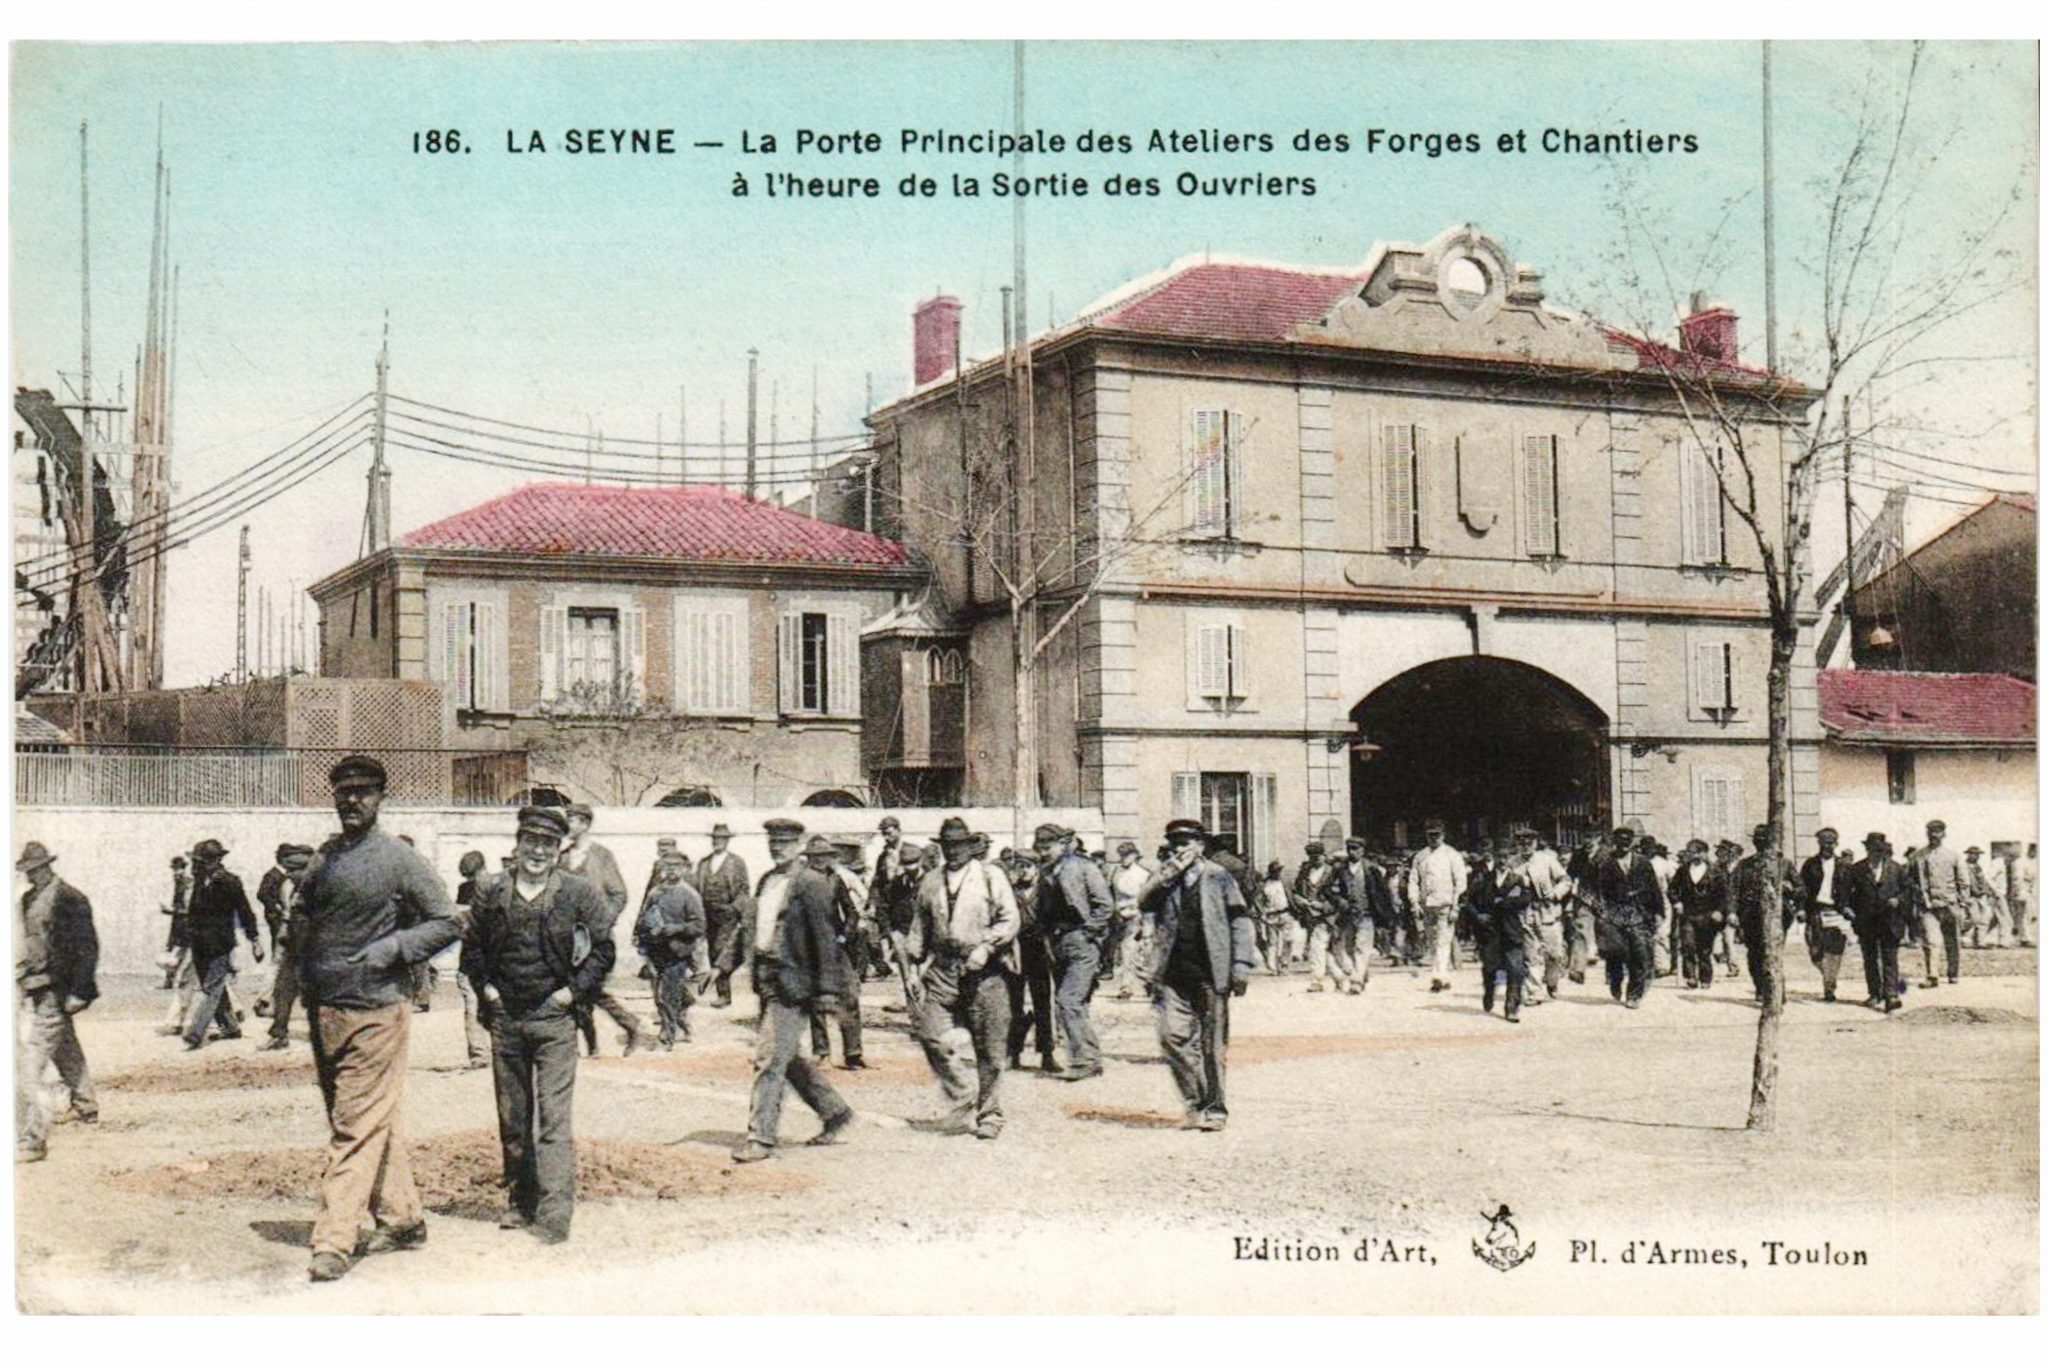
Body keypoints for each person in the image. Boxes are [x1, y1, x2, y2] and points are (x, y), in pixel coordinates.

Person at [294, 755, 461, 1283]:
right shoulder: (324, 858)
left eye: (364, 792)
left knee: (353, 1126)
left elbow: (447, 921)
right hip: (327, 1009)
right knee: (367, 1121)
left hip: (377, 1010)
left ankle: (335, 1240)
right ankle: (404, 1219)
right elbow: (301, 916)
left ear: (381, 798)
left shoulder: (398, 860)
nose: (352, 801)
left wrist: (394, 947)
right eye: (343, 791)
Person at [462, 805, 615, 1244]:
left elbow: (603, 948)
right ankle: (521, 1199)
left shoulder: (577, 892)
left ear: (558, 850)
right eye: (531, 841)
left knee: (552, 1118)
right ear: (518, 843)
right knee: (513, 1117)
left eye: (548, 844)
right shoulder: (491, 892)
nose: (538, 851)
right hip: (505, 1019)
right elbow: (471, 948)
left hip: (554, 1020)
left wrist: (572, 993)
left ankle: (554, 1212)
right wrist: (487, 988)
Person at [733, 819, 856, 1163]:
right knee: (786, 1057)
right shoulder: (767, 880)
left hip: (794, 984)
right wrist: (724, 967)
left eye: (785, 842)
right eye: (773, 841)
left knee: (769, 1056)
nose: (778, 847)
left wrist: (828, 991)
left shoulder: (812, 883)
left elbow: (825, 939)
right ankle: (834, 1111)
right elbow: (755, 929)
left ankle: (761, 1137)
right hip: (767, 978)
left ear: (799, 844)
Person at [903, 816, 1020, 1139]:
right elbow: (920, 927)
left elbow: (1010, 919)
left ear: (970, 846)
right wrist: (914, 968)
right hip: (943, 969)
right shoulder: (930, 881)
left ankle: (990, 1113)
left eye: (959, 846)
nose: (953, 852)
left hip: (985, 969)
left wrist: (987, 946)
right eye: (948, 847)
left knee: (990, 1045)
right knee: (930, 1034)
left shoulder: (989, 876)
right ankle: (963, 1093)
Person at [1138, 818, 1255, 1131]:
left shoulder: (1218, 877)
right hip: (1173, 972)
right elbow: (1142, 901)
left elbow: (1240, 920)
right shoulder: (1165, 878)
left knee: (1211, 1044)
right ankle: (1194, 1101)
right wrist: (1166, 874)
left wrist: (1241, 963)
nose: (1181, 848)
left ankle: (1215, 1108)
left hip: (1210, 971)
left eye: (1187, 842)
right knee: (1171, 1037)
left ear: (1201, 846)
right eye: (1175, 843)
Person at [15, 843, 99, 1162]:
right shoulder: (27, 900)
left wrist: (79, 991)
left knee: (29, 1063)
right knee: (65, 1048)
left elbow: (87, 947)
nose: (31, 876)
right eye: (27, 872)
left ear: (48, 867)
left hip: (59, 988)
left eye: (36, 870)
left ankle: (31, 1138)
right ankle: (86, 1106)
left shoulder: (70, 898)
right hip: (37, 985)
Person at [557, 805, 649, 1056]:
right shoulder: (562, 858)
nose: (568, 827)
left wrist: (601, 923)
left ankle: (623, 1029)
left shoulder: (601, 856)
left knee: (583, 989)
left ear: (585, 824)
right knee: (585, 991)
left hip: (597, 941)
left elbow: (619, 893)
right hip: (569, 940)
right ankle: (600, 1041)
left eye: (573, 821)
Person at [1033, 824, 1115, 1082]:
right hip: (1056, 944)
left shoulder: (1084, 867)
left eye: (1048, 847)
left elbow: (1105, 905)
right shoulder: (1045, 872)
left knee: (1068, 1000)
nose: (1044, 852)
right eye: (1040, 848)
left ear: (1063, 844)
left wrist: (1089, 933)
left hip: (1081, 940)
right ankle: (1089, 1058)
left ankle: (1086, 1061)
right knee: (1072, 1003)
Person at [181, 839, 263, 1050]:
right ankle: (230, 1027)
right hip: (198, 942)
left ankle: (195, 1033)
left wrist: (254, 940)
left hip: (219, 943)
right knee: (214, 987)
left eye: (199, 860)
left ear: (213, 860)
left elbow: (245, 911)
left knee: (212, 988)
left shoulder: (230, 881)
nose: (195, 864)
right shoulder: (198, 880)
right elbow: (192, 913)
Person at [805, 837, 869, 1070]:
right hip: (809, 947)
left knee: (849, 995)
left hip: (835, 946)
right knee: (816, 1001)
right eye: (815, 856)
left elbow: (851, 912)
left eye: (824, 855)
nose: (820, 860)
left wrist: (845, 935)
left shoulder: (836, 879)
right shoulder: (801, 881)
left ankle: (853, 1052)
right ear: (809, 858)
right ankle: (821, 1052)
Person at [634, 856, 705, 1049]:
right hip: (656, 952)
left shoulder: (689, 894)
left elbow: (699, 926)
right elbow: (643, 919)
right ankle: (684, 1015)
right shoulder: (655, 893)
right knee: (661, 996)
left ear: (684, 869)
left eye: (676, 866)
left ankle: (667, 1037)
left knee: (667, 995)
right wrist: (642, 941)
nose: (672, 870)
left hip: (678, 953)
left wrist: (677, 929)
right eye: (668, 866)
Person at [257, 845, 317, 1052]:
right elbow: (288, 914)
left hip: (316, 951)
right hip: (293, 947)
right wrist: (284, 931)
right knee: (282, 989)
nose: (288, 875)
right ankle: (279, 1035)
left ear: (306, 870)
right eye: (287, 870)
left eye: (293, 871)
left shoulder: (322, 890)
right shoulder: (289, 887)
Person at [1596, 827, 1660, 1008]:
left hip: (1639, 912)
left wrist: (1658, 913)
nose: (1623, 845)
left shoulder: (1643, 863)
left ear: (1632, 842)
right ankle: (1616, 980)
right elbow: (1600, 891)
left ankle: (1634, 994)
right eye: (1619, 841)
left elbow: (1654, 888)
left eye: (1626, 841)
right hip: (1615, 913)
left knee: (1639, 954)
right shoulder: (1606, 864)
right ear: (1614, 842)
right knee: (1616, 953)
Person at [1846, 832, 1910, 1013]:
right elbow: (1847, 893)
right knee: (1870, 958)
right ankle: (1875, 993)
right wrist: (1848, 909)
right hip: (1866, 920)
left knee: (1890, 957)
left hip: (1890, 920)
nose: (1876, 854)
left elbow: (1909, 891)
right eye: (1873, 850)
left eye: (1880, 850)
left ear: (1884, 851)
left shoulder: (1897, 869)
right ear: (1867, 850)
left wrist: (1898, 900)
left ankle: (1891, 995)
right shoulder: (1857, 869)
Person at [1470, 843, 1532, 1022]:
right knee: (1490, 968)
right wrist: (1478, 916)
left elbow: (1524, 899)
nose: (1503, 861)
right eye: (1500, 857)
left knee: (1516, 970)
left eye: (1506, 857)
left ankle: (1511, 1007)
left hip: (1511, 931)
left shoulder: (1516, 880)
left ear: (1511, 859)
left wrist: (1503, 902)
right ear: (1494, 858)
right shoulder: (1483, 879)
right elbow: (1468, 901)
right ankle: (1489, 992)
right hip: (1490, 932)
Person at [695, 822, 753, 1009]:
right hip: (708, 913)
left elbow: (744, 889)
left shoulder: (737, 862)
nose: (717, 842)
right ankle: (721, 991)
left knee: (723, 950)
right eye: (715, 838)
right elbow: (697, 887)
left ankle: (724, 995)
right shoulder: (704, 863)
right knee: (713, 951)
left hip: (727, 913)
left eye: (721, 839)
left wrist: (735, 908)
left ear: (727, 841)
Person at [1407, 821, 1467, 993]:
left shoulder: (1452, 855)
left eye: (1437, 835)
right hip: (1427, 906)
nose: (1433, 838)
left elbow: (1460, 882)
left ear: (1443, 835)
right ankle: (1443, 975)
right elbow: (1413, 881)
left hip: (1446, 905)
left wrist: (1456, 906)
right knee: (1433, 942)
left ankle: (1438, 977)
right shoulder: (1420, 856)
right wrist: (1414, 902)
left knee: (1443, 940)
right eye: (1430, 835)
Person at [450, 851, 494, 1069]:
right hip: (483, 959)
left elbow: (460, 924)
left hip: (476, 959)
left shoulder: (471, 889)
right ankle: (486, 1052)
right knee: (483, 1004)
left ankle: (480, 1054)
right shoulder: (498, 886)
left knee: (474, 1005)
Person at [1515, 830, 1569, 1004]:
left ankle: (1552, 982)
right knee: (1531, 954)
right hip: (1525, 912)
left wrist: (1556, 893)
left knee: (1555, 953)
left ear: (1536, 843)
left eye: (1529, 843)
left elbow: (1565, 880)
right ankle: (1535, 992)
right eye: (1521, 843)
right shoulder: (1512, 863)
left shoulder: (1547, 860)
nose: (1525, 847)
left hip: (1548, 911)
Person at [1799, 829, 1853, 1002]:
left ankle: (1829, 987)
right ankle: (1828, 976)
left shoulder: (1844, 866)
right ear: (1819, 843)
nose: (1827, 845)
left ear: (1836, 843)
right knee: (1815, 951)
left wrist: (1849, 908)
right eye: (1824, 842)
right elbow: (1802, 890)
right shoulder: (1810, 865)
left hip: (1836, 912)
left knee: (1835, 951)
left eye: (1830, 842)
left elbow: (1852, 890)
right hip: (1815, 911)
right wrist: (1800, 909)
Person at [1670, 839, 1729, 989]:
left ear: (1704, 853)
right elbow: (1672, 889)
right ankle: (1690, 976)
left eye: (1696, 852)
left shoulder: (1716, 871)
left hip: (1708, 915)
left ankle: (1705, 978)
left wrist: (1719, 911)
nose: (1693, 855)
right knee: (1688, 945)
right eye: (1690, 852)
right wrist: (1677, 902)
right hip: (1688, 914)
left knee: (1704, 948)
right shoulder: (1683, 870)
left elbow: (1724, 895)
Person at [1913, 819, 1966, 987]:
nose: (1934, 835)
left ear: (1944, 834)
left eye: (1937, 832)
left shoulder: (1953, 856)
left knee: (1952, 941)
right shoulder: (1918, 856)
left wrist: (1962, 903)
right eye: (1931, 832)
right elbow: (1908, 879)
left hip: (1950, 905)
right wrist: (1917, 897)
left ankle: (1953, 973)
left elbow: (1963, 881)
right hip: (1928, 906)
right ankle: (1932, 975)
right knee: (1931, 941)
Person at [1292, 841, 1346, 993]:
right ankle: (1339, 977)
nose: (1315, 860)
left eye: (1318, 856)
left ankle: (1317, 981)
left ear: (1324, 855)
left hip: (1328, 916)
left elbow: (1340, 895)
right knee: (1321, 949)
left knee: (1317, 947)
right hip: (1309, 916)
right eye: (1312, 857)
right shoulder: (1304, 872)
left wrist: (1322, 906)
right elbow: (1296, 890)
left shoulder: (1333, 872)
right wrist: (1299, 900)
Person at [1108, 841, 1154, 998]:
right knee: (1123, 952)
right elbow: (1111, 893)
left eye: (1127, 855)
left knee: (1133, 950)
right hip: (1119, 915)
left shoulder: (1143, 874)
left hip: (1136, 915)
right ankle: (1135, 983)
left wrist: (1144, 920)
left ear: (1134, 855)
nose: (1123, 858)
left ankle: (1133, 984)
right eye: (1121, 855)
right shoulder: (1116, 872)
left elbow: (1147, 899)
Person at [1963, 847, 2009, 949]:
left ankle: (1980, 941)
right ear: (1969, 854)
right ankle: (1964, 936)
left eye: (1978, 854)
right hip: (1970, 895)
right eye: (1974, 854)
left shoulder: (1978, 867)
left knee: (1984, 919)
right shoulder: (1963, 867)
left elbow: (1983, 880)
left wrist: (1988, 892)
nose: (1976, 856)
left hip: (1981, 895)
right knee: (1973, 918)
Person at [160, 854, 192, 990]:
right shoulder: (179, 882)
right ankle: (170, 981)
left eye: (178, 869)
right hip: (178, 922)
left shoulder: (187, 883)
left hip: (186, 922)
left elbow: (189, 909)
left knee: (183, 951)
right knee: (173, 950)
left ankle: (178, 981)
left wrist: (171, 911)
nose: (176, 872)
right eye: (174, 869)